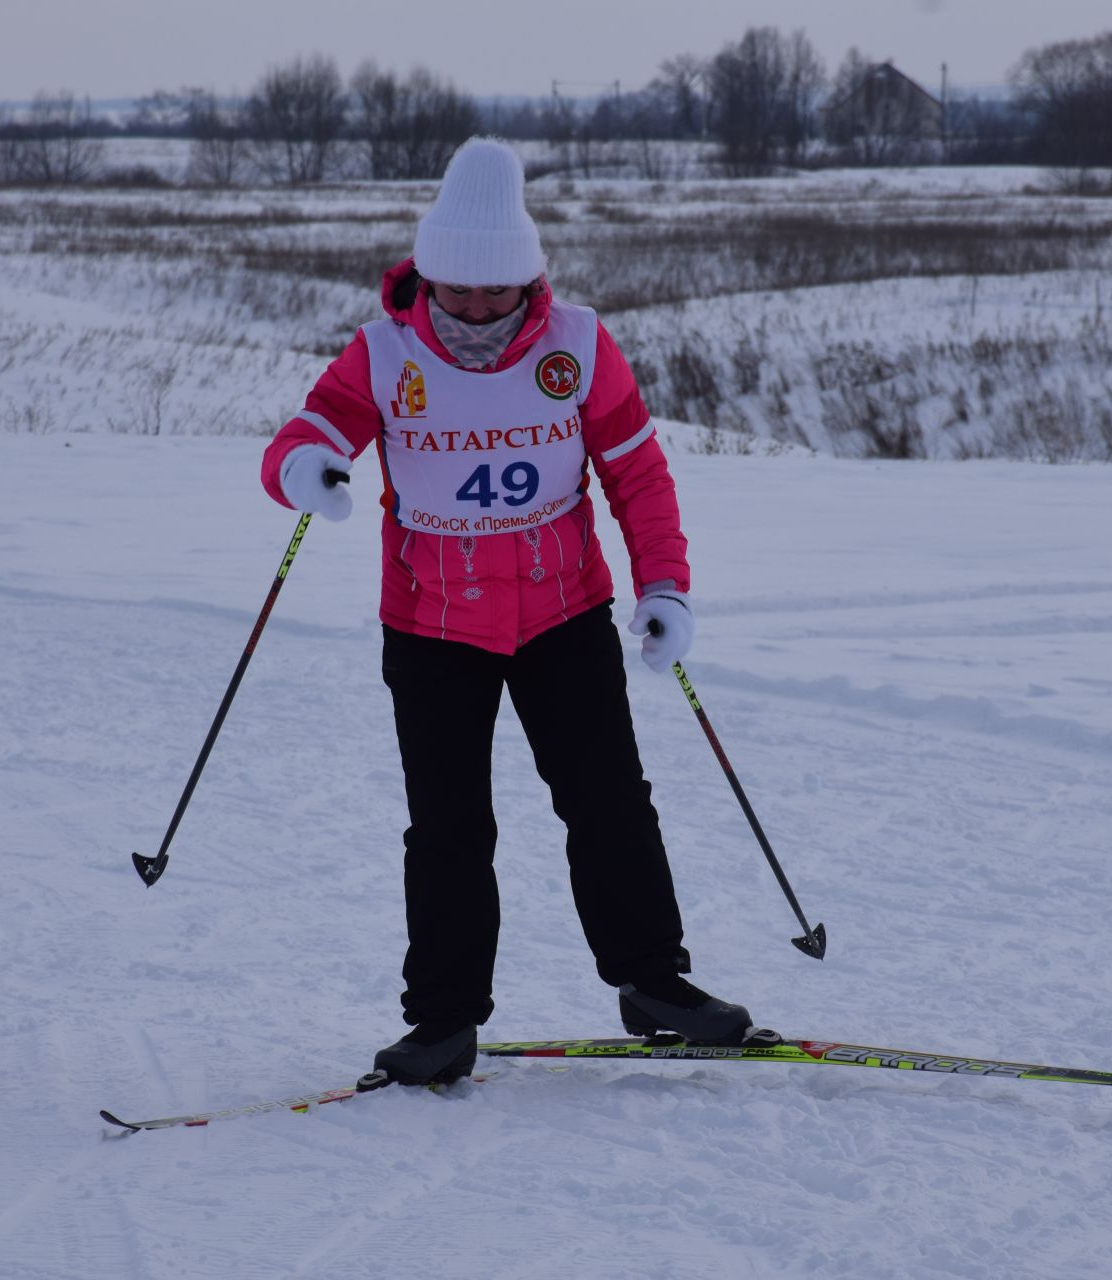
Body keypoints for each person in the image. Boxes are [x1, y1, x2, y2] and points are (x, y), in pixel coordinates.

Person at [260, 138, 754, 1086]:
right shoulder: (384, 351)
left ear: (529, 278)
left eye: (499, 290)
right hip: (432, 623)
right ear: (428, 275)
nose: (479, 308)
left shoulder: (577, 344)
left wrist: (664, 587)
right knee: (447, 827)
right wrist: (304, 466)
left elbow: (635, 473)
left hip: (564, 613)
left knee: (610, 804)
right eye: (460, 289)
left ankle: (656, 986)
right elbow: (310, 430)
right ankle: (442, 1021)